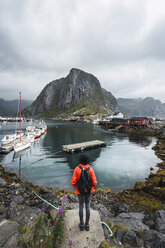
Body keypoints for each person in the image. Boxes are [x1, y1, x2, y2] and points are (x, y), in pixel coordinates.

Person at [71, 154, 97, 231]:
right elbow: (95, 182)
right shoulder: (90, 169)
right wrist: (90, 187)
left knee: (81, 206)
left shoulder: (77, 169)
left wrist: (77, 187)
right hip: (89, 191)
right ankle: (87, 225)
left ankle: (81, 225)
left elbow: (73, 182)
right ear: (88, 161)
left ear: (80, 161)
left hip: (80, 191)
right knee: (88, 206)